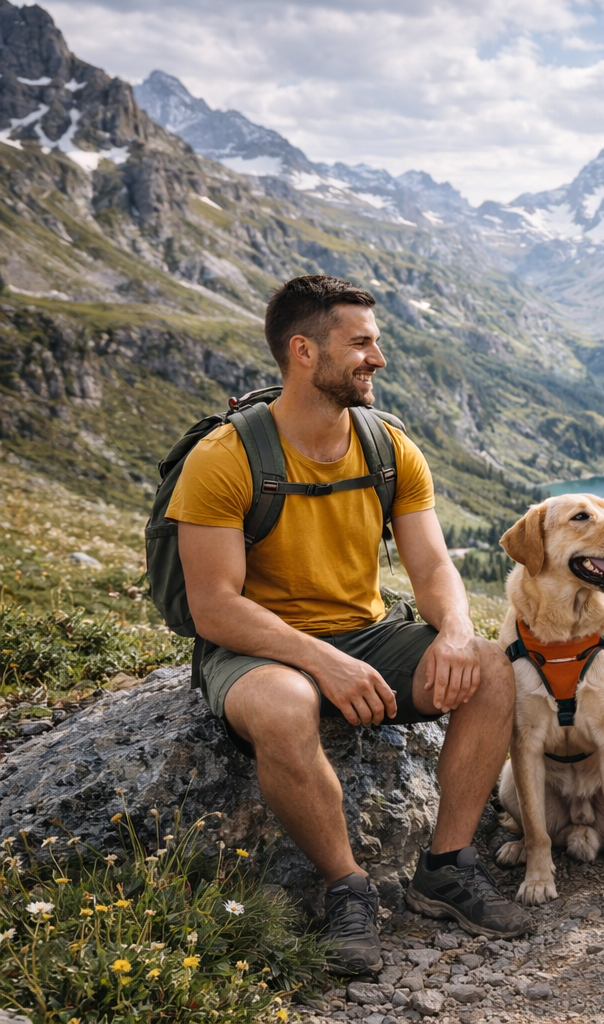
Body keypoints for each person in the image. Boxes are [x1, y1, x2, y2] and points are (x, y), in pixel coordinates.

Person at [170, 275, 530, 974]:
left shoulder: (388, 447)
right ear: (303, 351)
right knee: (284, 704)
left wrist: (456, 630)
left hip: (367, 631)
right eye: (361, 343)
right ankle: (347, 886)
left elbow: (432, 567)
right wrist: (322, 661)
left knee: (490, 666)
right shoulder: (223, 458)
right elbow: (213, 605)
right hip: (256, 645)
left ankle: (447, 867)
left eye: (377, 342)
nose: (378, 358)